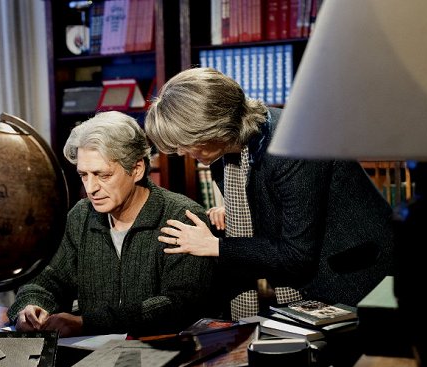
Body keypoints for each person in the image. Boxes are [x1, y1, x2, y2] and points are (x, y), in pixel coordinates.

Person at [144, 67, 393, 319]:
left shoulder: (293, 146)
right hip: (312, 270)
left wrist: (215, 246)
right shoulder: (225, 152)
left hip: (352, 272)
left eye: (186, 141)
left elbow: (296, 255)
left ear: (213, 128)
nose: (182, 151)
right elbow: (265, 199)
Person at [7, 111, 217, 337]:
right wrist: (30, 308)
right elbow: (46, 280)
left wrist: (88, 323)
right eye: (83, 175)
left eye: (102, 175)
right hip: (91, 355)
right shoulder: (81, 215)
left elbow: (179, 305)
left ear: (136, 170)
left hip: (162, 353)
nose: (91, 188)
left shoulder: (181, 216)